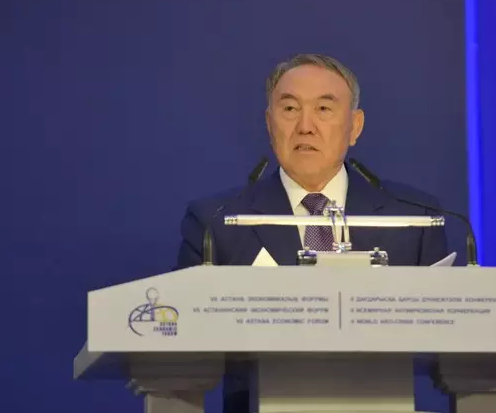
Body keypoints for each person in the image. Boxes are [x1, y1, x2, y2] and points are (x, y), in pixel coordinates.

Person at [175, 53, 449, 269]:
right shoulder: (215, 223)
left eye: (323, 109)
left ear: (355, 127)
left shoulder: (416, 220)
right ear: (270, 124)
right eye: (290, 108)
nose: (305, 127)